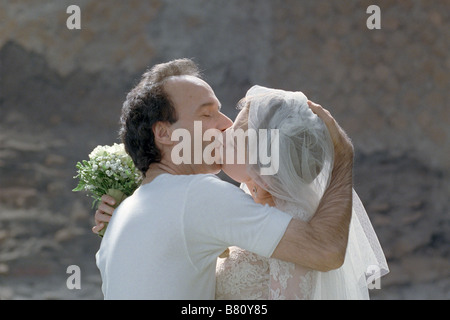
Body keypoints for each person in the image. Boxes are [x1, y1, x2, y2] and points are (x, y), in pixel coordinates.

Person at [94, 59, 354, 299]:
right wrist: (342, 158)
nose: (226, 123)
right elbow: (326, 251)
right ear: (163, 133)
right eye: (206, 114)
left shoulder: (123, 216)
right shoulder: (198, 195)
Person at [215, 85, 389, 299]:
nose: (223, 134)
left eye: (233, 139)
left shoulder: (294, 223)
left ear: (261, 167)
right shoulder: (253, 206)